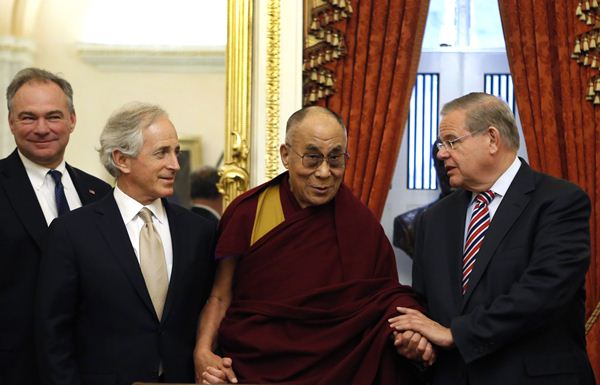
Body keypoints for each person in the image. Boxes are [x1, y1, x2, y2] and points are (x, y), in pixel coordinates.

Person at [194, 106, 433, 385]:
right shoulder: (249, 211)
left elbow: (384, 299)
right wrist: (202, 351)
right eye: (312, 158)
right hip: (255, 367)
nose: (324, 172)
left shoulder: (359, 225)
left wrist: (411, 332)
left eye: (335, 159)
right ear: (285, 155)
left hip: (338, 370)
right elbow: (221, 296)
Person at [389, 92, 596, 384]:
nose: (440, 153)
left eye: (451, 141)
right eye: (440, 145)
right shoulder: (434, 219)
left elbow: (545, 290)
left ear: (492, 139)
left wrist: (456, 335)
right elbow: (424, 303)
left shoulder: (559, 201)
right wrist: (416, 338)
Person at [35, 102, 216, 385]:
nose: (175, 165)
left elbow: (209, 311)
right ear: (121, 160)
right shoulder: (73, 232)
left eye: (176, 152)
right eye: (161, 153)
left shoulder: (198, 231)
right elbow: (53, 334)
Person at [0, 67, 111, 385]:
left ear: (72, 120)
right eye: (28, 117)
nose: (41, 128)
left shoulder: (101, 194)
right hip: (14, 369)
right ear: (11, 122)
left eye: (53, 116)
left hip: (92, 368)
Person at [393, 140, 452, 257]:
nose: (446, 171)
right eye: (441, 163)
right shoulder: (408, 223)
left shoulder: (481, 217)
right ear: (434, 166)